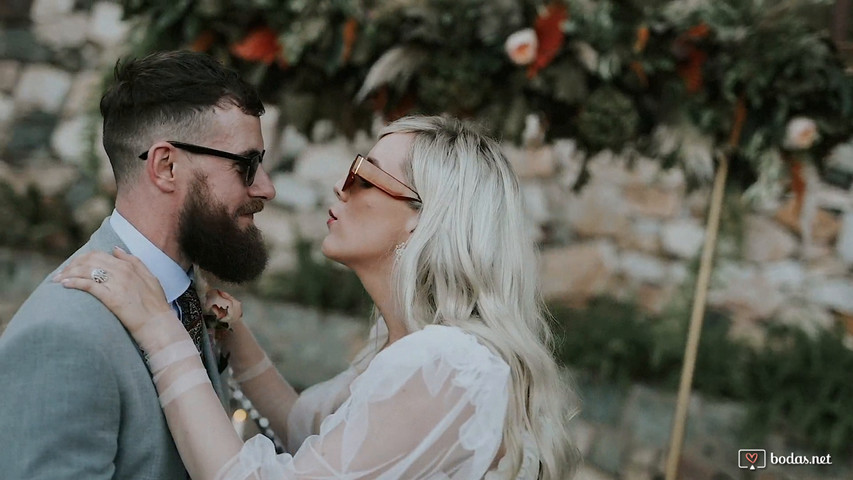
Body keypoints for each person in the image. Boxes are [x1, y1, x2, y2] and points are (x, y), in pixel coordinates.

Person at [55, 115, 580, 479]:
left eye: (362, 176)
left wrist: (158, 329)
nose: (339, 187)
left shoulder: (444, 362)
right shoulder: (408, 344)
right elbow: (307, 424)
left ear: (428, 214)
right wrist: (237, 339)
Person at [0, 50, 277, 479]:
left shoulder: (189, 300)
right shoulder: (64, 335)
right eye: (248, 165)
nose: (267, 187)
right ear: (166, 166)